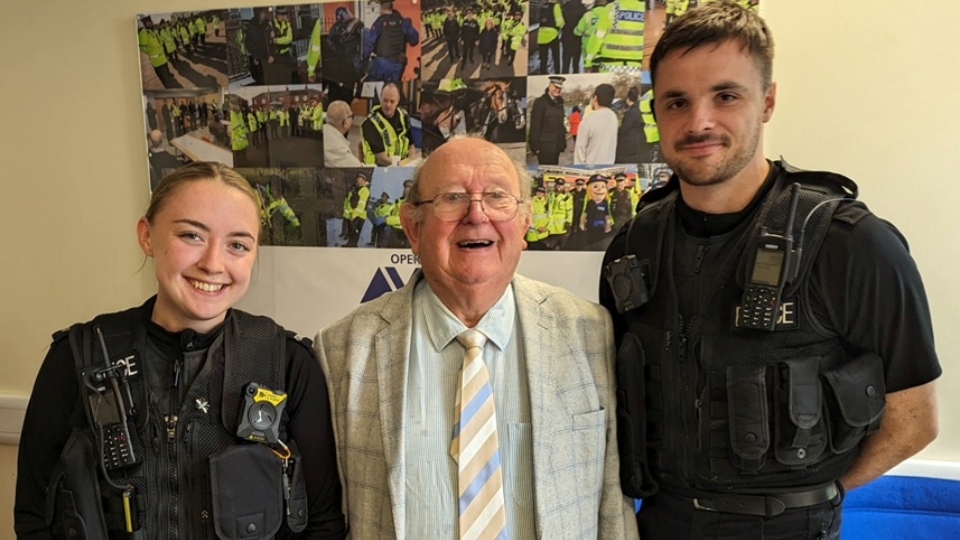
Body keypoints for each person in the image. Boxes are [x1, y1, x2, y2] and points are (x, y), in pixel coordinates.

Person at [599, 5, 940, 539]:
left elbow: (915, 420)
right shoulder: (632, 246)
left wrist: (811, 498)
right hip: (657, 524)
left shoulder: (852, 245)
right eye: (677, 102)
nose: (699, 122)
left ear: (768, 102)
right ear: (656, 112)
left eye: (726, 96)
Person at [315, 136, 639, 539]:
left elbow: (613, 509)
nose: (476, 215)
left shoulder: (590, 332)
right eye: (452, 198)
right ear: (413, 226)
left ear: (524, 223)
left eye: (498, 197)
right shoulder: (343, 348)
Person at [14, 162, 347, 540]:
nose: (213, 264)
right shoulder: (80, 357)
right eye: (192, 236)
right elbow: (33, 516)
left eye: (237, 244)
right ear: (147, 236)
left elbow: (323, 525)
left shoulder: (288, 366)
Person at [363, 1, 420, 82]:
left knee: (372, 89)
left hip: (381, 65)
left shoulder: (379, 22)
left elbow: (369, 44)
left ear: (381, 8)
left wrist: (364, 59)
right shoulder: (403, 22)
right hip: (398, 66)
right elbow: (414, 40)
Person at [361, 83, 413, 166]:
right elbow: (381, 158)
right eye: (385, 100)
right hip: (380, 167)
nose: (388, 105)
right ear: (380, 99)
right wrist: (401, 164)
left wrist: (410, 164)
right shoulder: (370, 123)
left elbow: (411, 146)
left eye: (392, 101)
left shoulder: (404, 116)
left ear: (398, 101)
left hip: (401, 165)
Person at [586, 0, 644, 73]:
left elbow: (598, 36)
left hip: (610, 64)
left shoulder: (611, 8)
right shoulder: (643, 8)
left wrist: (589, 60)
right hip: (636, 65)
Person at [323, 7, 365, 103]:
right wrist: (357, 96)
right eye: (347, 12)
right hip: (348, 62)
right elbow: (359, 77)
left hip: (340, 64)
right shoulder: (354, 25)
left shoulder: (334, 29)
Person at [574, 83, 618, 164]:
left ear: (595, 98)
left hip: (591, 170)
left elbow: (579, 155)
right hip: (609, 167)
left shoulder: (587, 122)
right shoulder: (613, 117)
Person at [529, 76, 567, 164]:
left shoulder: (559, 103)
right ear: (550, 86)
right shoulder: (540, 102)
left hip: (556, 147)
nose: (558, 90)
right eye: (556, 87)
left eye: (560, 88)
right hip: (544, 148)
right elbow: (535, 125)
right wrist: (535, 147)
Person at [138, 16, 177, 88]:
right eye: (150, 22)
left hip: (163, 58)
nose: (152, 22)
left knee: (167, 75)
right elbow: (142, 48)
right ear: (146, 23)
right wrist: (152, 52)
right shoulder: (144, 33)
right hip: (157, 61)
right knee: (165, 80)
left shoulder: (154, 31)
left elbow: (160, 42)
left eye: (151, 21)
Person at [323, 100, 364, 168]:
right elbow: (357, 167)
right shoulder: (336, 147)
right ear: (345, 123)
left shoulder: (325, 131)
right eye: (351, 116)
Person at [342, 171, 371, 247]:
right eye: (357, 178)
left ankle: (351, 248)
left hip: (359, 216)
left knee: (355, 235)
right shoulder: (357, 189)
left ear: (364, 180)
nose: (357, 180)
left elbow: (361, 206)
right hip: (354, 215)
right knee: (352, 234)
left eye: (359, 178)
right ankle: (350, 246)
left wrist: (354, 215)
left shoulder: (364, 190)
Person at [615, 86, 642, 163]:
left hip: (628, 142)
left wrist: (617, 132)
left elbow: (625, 127)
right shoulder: (638, 108)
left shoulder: (632, 112)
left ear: (628, 99)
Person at [537, 0, 565, 74]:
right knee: (556, 57)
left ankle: (542, 74)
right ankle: (557, 73)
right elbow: (560, 22)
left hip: (541, 35)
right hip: (553, 34)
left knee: (543, 59)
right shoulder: (555, 6)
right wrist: (562, 26)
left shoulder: (542, 6)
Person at [560, 0, 586, 73]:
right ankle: (575, 73)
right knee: (576, 62)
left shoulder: (564, 7)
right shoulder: (582, 8)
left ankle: (565, 74)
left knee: (565, 61)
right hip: (577, 38)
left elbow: (561, 22)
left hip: (566, 37)